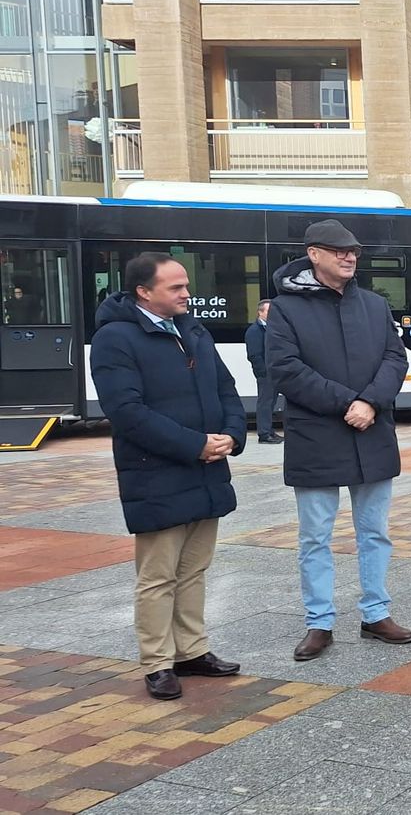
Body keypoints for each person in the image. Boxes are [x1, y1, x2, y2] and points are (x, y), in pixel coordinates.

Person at [90, 252, 245, 700]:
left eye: (185, 285)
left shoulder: (193, 331)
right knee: (158, 575)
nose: (186, 293)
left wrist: (232, 436)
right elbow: (126, 412)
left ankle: (192, 651)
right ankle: (158, 662)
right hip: (156, 474)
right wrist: (194, 444)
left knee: (194, 570)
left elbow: (226, 389)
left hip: (208, 469)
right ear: (144, 291)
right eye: (175, 287)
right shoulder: (115, 339)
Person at [267, 219, 411, 660]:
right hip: (318, 437)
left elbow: (394, 356)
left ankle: (375, 614)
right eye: (338, 251)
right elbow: (286, 369)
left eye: (353, 251)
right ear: (314, 254)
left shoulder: (373, 304)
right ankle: (319, 622)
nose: (350, 257)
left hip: (371, 434)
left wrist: (369, 402)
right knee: (315, 536)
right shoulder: (287, 309)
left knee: (375, 532)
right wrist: (347, 402)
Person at [244, 300, 283, 444]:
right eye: (269, 311)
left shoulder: (272, 328)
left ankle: (269, 431)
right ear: (260, 312)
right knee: (265, 403)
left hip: (274, 372)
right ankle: (264, 434)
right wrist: (263, 372)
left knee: (271, 403)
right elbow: (254, 354)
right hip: (266, 374)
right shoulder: (254, 331)